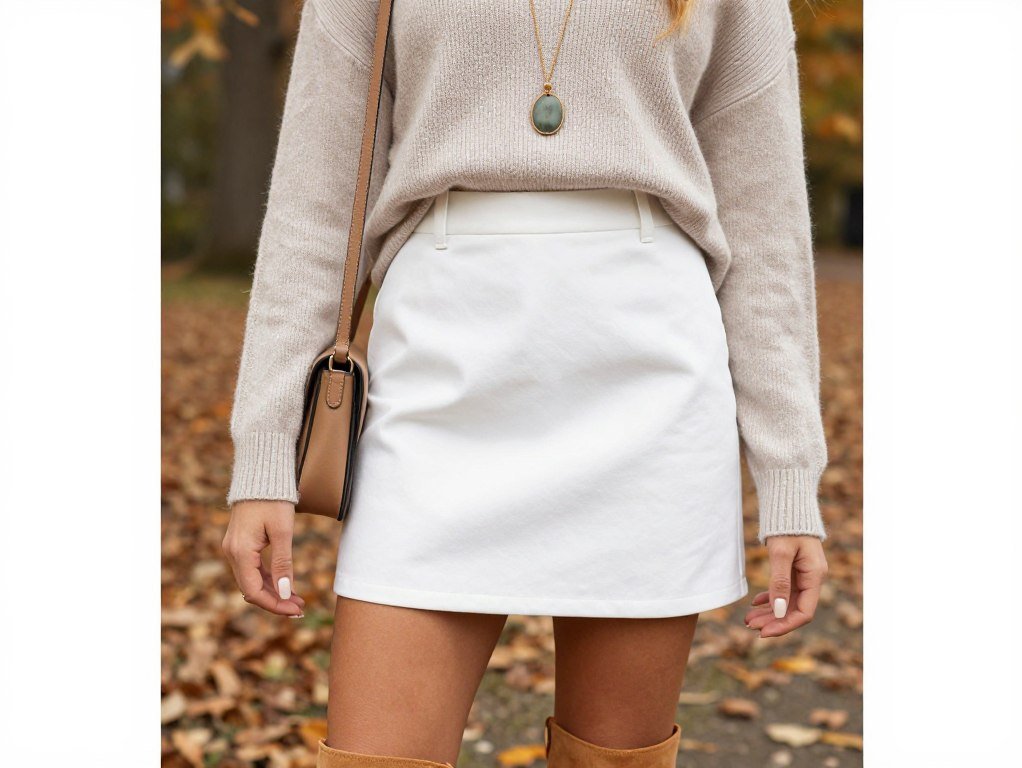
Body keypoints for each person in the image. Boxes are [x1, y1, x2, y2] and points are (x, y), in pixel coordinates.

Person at [220, 1, 830, 766]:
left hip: (650, 378)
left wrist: (789, 476)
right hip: (439, 372)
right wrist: (267, 452)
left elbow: (765, 225)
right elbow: (314, 207)